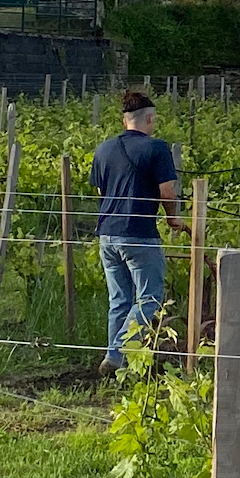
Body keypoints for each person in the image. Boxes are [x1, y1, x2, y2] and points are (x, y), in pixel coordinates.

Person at [90, 91, 187, 377]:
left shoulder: (103, 149)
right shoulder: (157, 149)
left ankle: (117, 364)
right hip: (140, 234)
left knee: (119, 300)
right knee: (150, 299)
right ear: (150, 118)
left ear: (124, 120)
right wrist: (173, 218)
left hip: (107, 234)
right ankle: (116, 353)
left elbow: (101, 190)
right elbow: (167, 191)